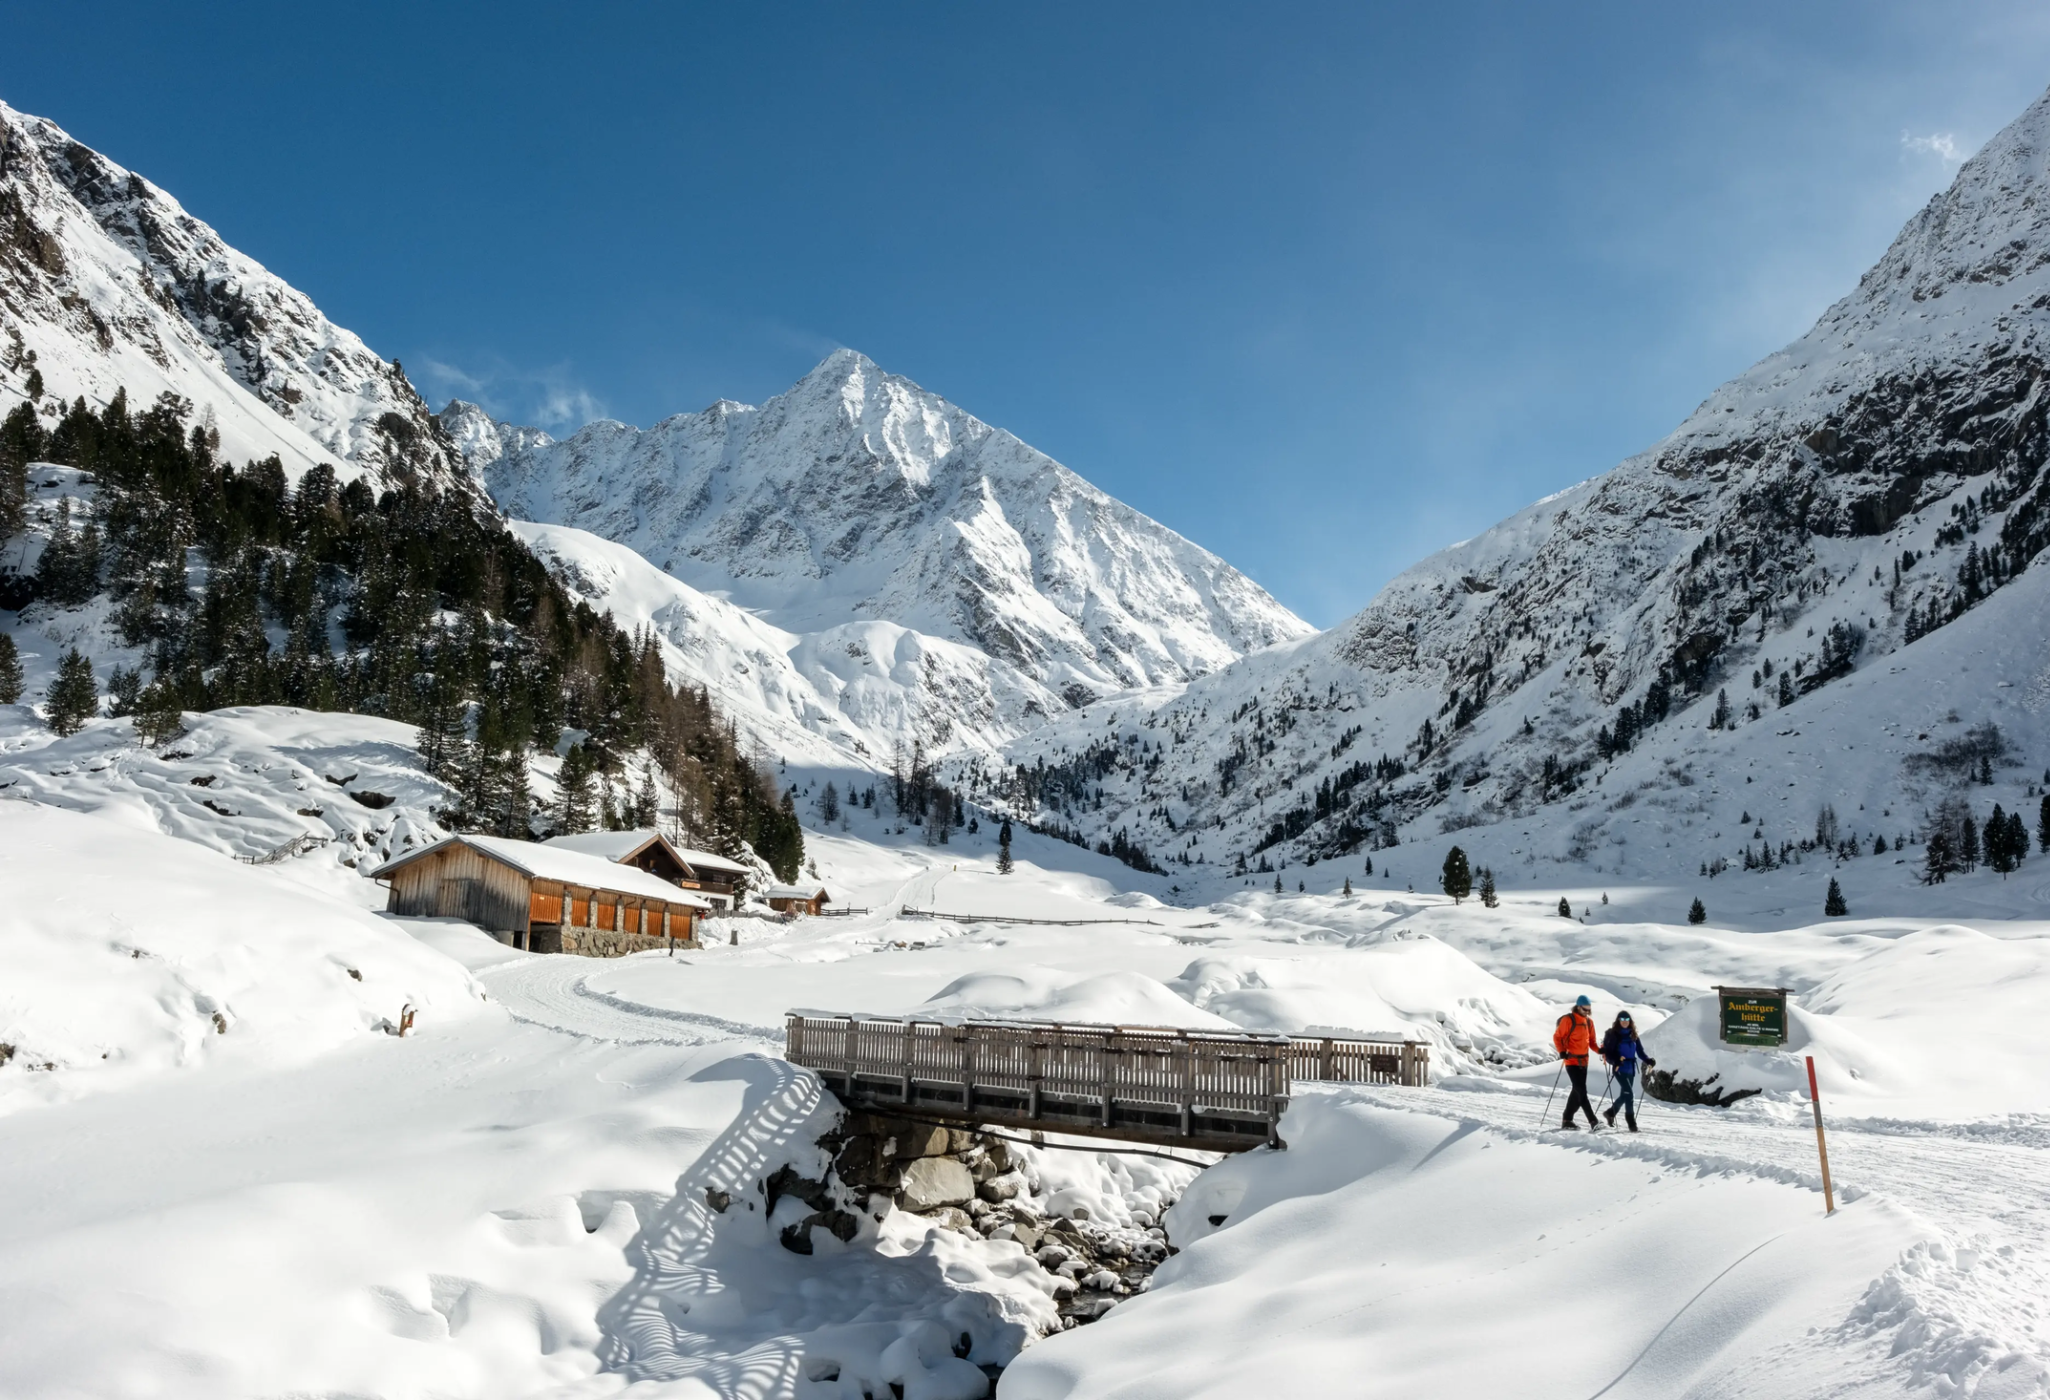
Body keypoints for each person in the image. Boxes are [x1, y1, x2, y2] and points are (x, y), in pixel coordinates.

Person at [1551, 994, 1603, 1131]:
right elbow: (1557, 1037)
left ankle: (1567, 1120)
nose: (1587, 1011)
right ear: (1578, 1007)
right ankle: (1593, 1121)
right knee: (1581, 1091)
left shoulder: (1589, 1022)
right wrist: (1562, 1051)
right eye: (1584, 1009)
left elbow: (1592, 1042)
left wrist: (1600, 1050)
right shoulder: (1568, 1020)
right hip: (1571, 1061)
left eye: (1589, 1009)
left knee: (1577, 1091)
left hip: (1584, 1061)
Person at [1600, 1012, 1656, 1132]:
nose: (1625, 1021)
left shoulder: (1633, 1035)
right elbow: (1609, 1053)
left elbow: (1640, 1052)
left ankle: (1610, 1113)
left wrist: (1648, 1060)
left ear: (1630, 1021)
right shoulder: (1614, 1035)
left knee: (1625, 1095)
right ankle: (1632, 1124)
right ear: (1618, 1021)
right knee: (1629, 1095)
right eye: (1622, 1019)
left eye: (1627, 1019)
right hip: (1619, 1068)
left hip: (1630, 1069)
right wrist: (1616, 1061)